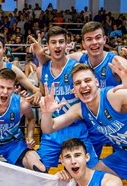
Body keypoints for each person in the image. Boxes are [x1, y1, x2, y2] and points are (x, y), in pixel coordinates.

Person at [31, 26, 99, 170]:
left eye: (61, 42)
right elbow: (44, 92)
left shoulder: (77, 68)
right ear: (47, 46)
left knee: (89, 171)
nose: (57, 46)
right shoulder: (41, 71)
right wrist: (37, 92)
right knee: (38, 169)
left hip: (76, 126)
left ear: (67, 44)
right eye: (53, 42)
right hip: (52, 128)